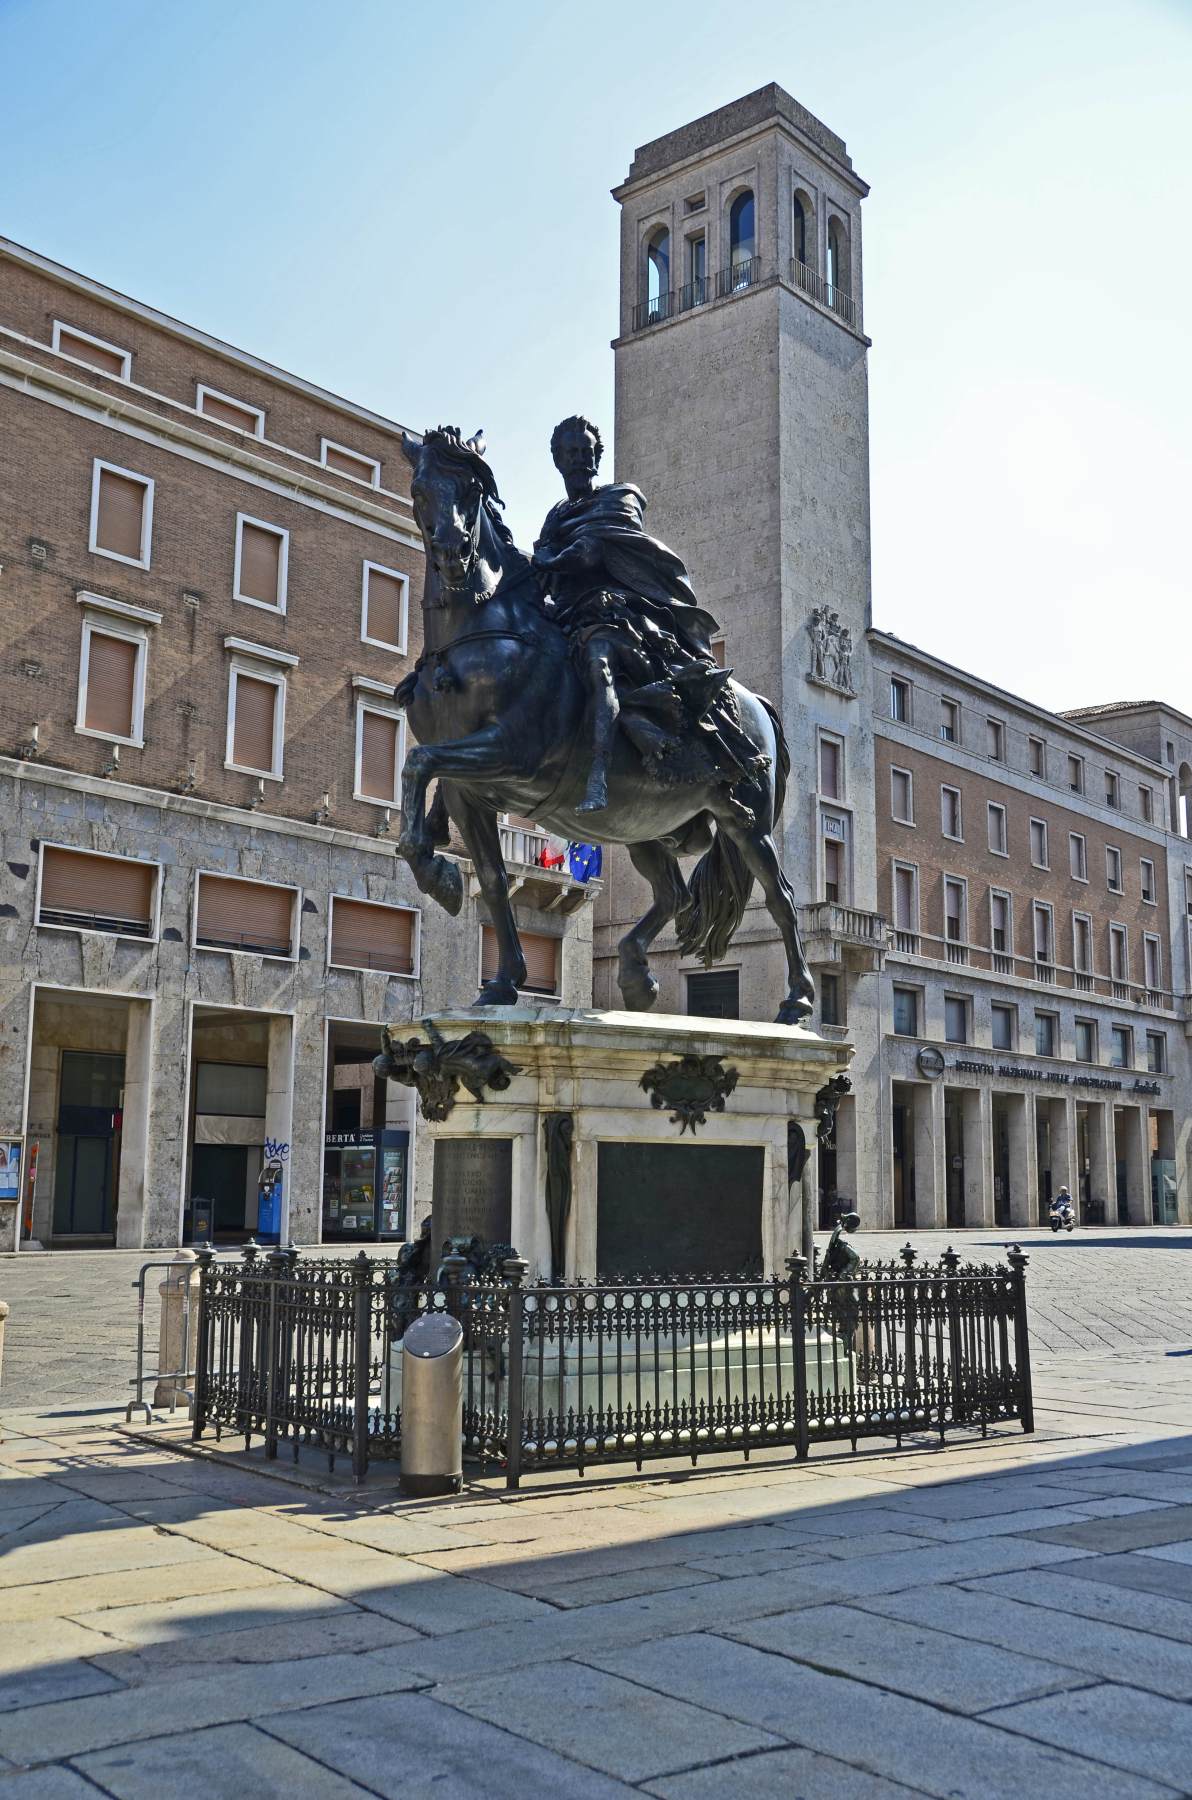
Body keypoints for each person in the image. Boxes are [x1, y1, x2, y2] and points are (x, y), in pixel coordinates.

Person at [532, 416, 766, 813]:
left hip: (619, 616)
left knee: (598, 665)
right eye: (569, 453)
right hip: (567, 615)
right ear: (557, 460)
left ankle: (597, 775)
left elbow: (588, 551)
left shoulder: (620, 497)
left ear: (596, 458)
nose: (578, 460)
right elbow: (542, 570)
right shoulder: (555, 516)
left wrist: (547, 558)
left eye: (586, 452)